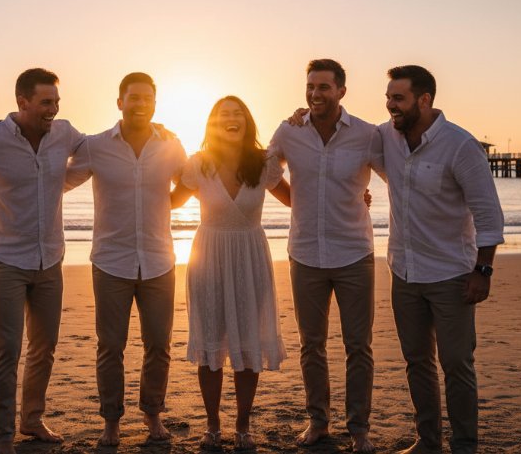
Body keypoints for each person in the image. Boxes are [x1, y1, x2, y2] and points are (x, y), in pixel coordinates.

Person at [380, 65, 504, 454]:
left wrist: (483, 271)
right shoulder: (387, 136)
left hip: (452, 274)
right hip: (403, 271)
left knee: (457, 365)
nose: (390, 106)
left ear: (425, 99)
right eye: (388, 98)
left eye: (398, 98)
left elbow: (488, 214)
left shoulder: (460, 145)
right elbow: (344, 141)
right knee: (416, 362)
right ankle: (428, 441)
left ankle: (465, 446)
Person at [64, 72, 188, 446]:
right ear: (120, 102)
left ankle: (152, 415)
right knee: (110, 346)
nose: (140, 104)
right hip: (111, 261)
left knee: (158, 345)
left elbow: (192, 180)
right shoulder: (95, 146)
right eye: (133, 98)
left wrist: (166, 204)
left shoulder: (169, 145)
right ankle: (111, 422)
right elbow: (60, 180)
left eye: (147, 99)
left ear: (154, 103)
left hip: (159, 260)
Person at [0, 68, 83, 454]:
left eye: (57, 102)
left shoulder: (64, 133)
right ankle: (1, 438)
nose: (53, 109)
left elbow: (101, 150)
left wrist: (156, 134)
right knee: (7, 348)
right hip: (4, 256)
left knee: (44, 345)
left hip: (50, 257)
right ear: (23, 102)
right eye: (46, 102)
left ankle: (31, 420)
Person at [269, 59, 384, 452]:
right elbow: (266, 172)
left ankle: (359, 428)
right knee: (311, 345)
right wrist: (294, 200)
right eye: (310, 86)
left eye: (323, 87)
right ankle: (318, 422)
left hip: (354, 252)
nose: (315, 94)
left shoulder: (367, 135)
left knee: (359, 346)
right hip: (304, 254)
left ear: (341, 91)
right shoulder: (289, 130)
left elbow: (399, 176)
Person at [169, 96, 291, 451]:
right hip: (209, 258)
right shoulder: (199, 164)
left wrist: (354, 195)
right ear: (213, 124)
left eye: (238, 114)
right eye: (224, 115)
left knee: (247, 343)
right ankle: (212, 426)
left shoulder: (264, 163)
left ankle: (242, 427)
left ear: (248, 121)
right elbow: (169, 201)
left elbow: (295, 198)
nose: (231, 119)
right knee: (211, 345)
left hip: (250, 257)